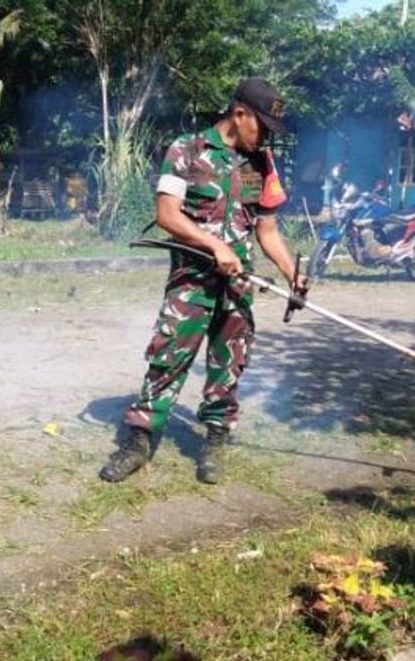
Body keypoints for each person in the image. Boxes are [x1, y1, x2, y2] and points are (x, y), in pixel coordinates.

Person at [99, 77, 308, 485]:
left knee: (229, 364)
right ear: (239, 113)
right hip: (191, 283)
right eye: (261, 126)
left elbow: (267, 230)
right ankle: (139, 442)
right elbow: (167, 215)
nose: (265, 137)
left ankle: (215, 440)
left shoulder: (262, 162)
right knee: (168, 358)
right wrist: (214, 245)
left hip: (237, 283)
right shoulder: (187, 150)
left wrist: (291, 271)